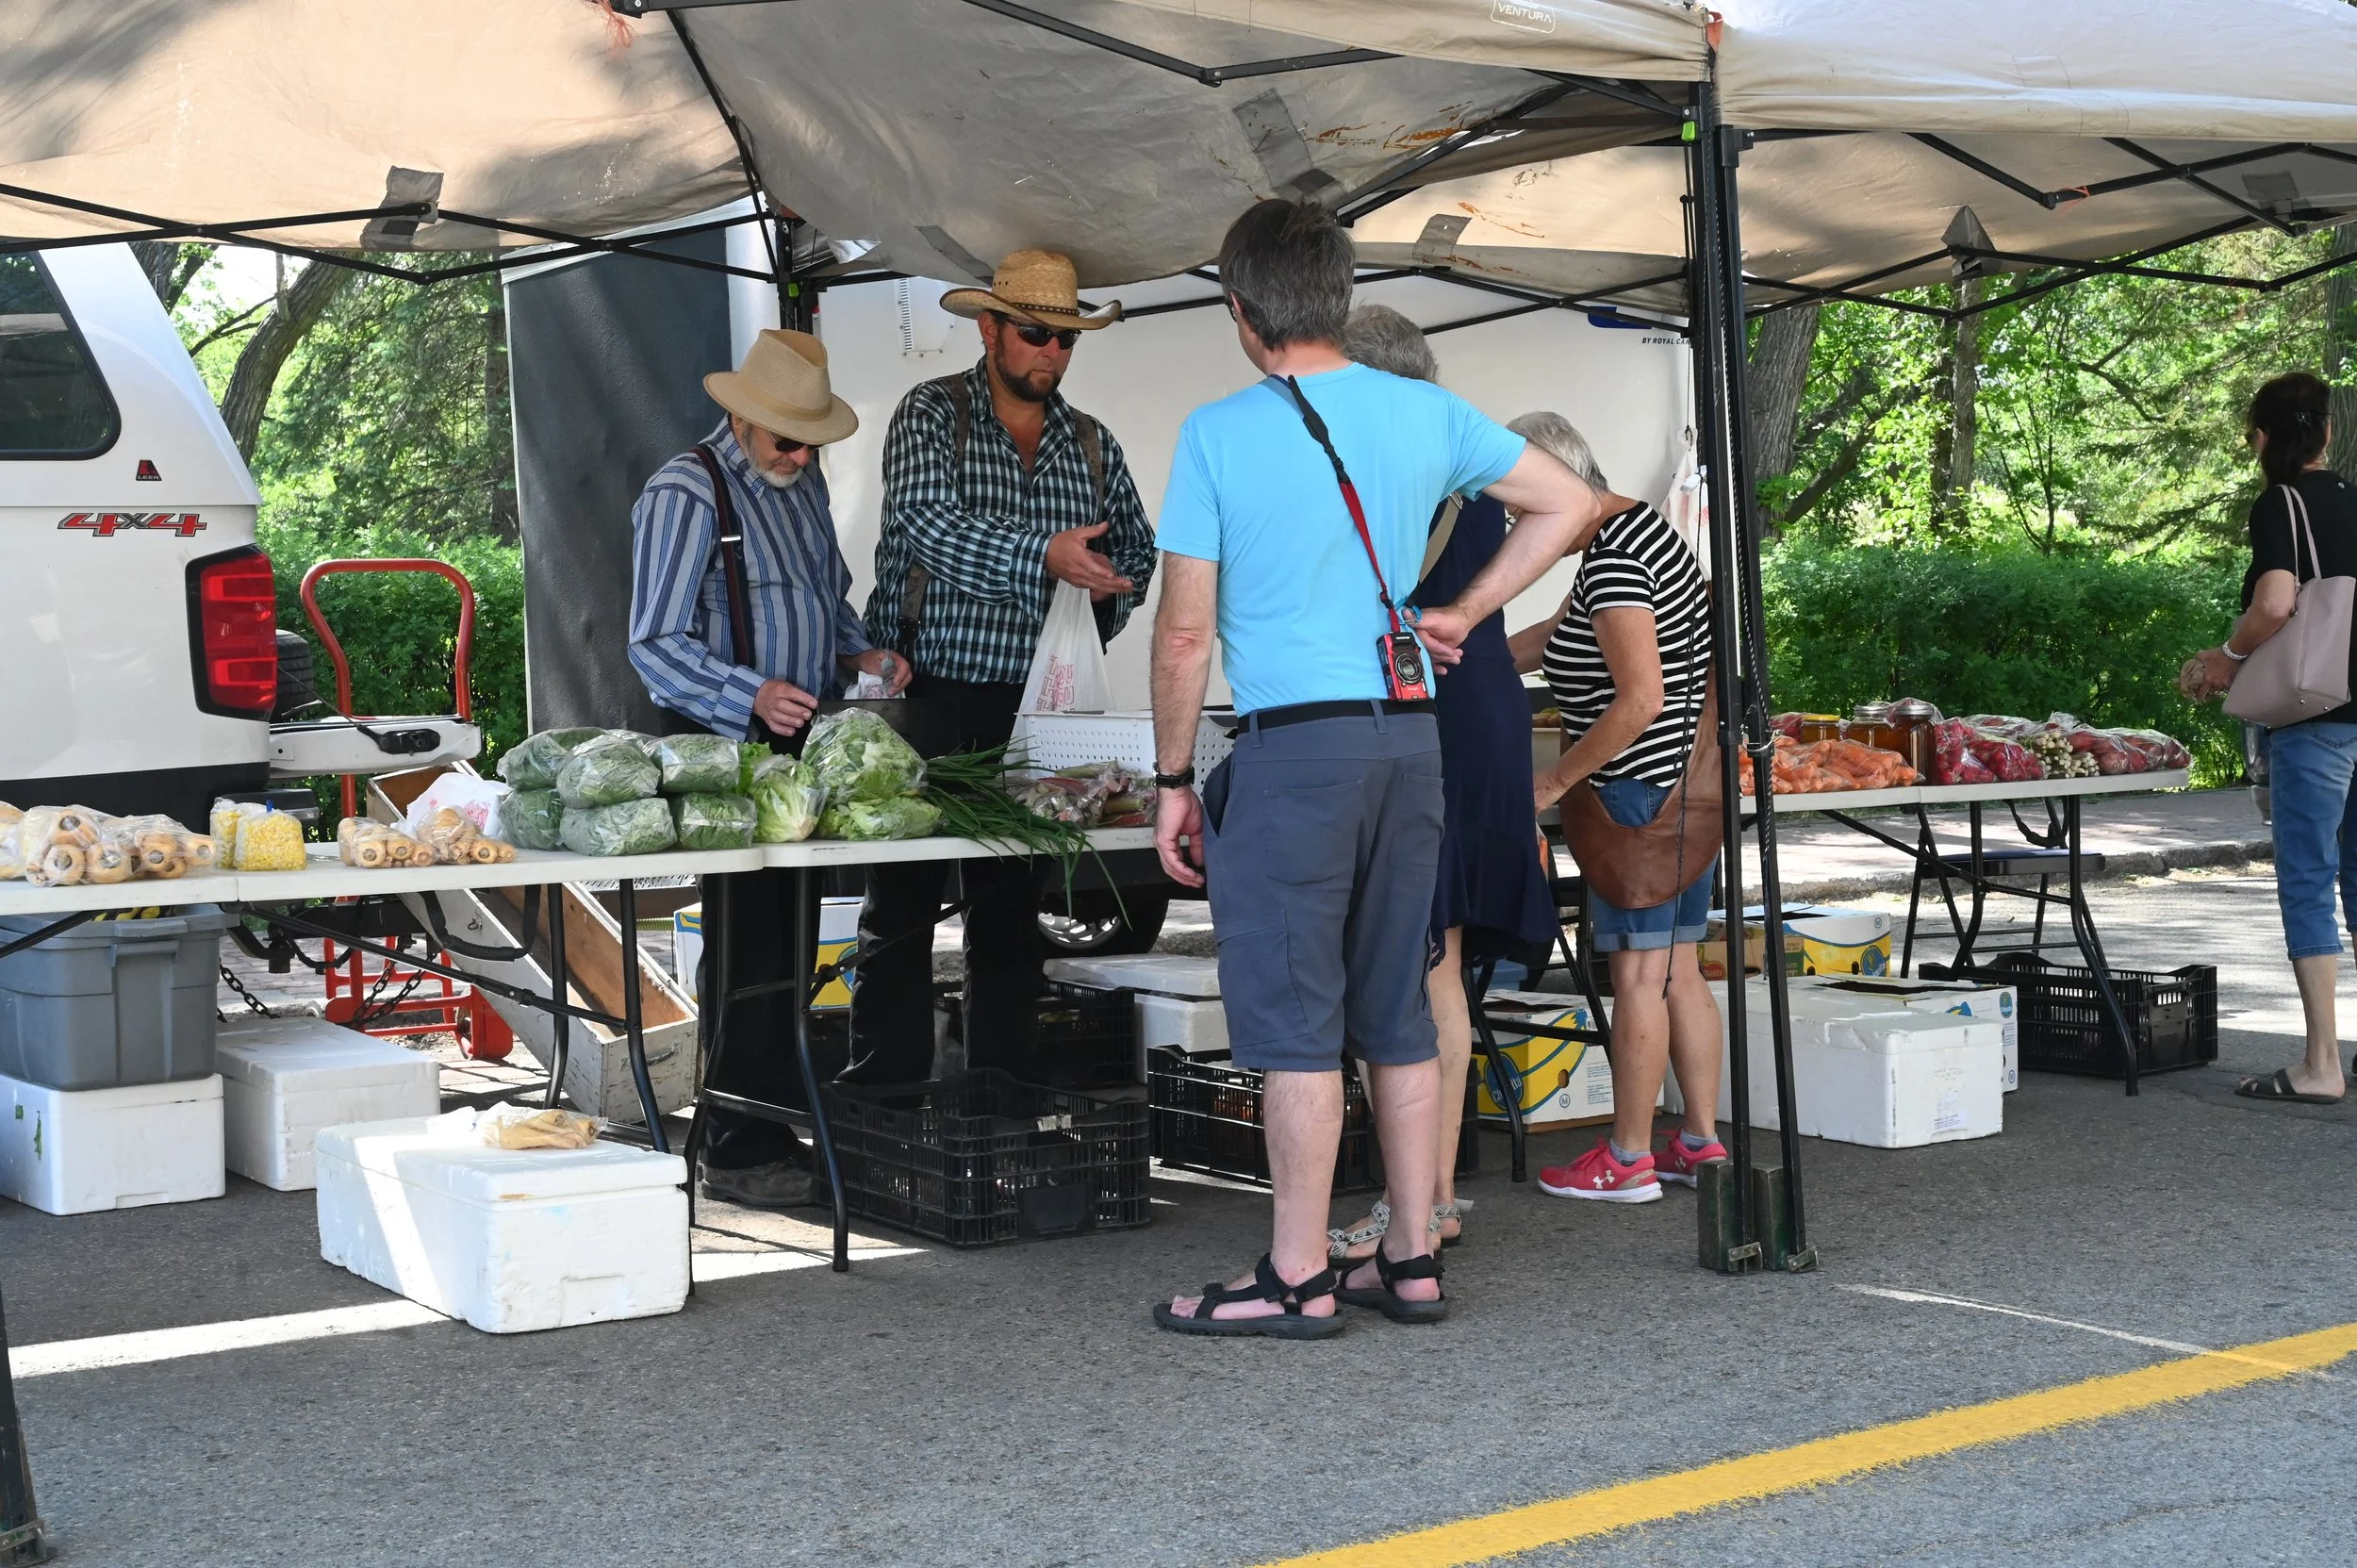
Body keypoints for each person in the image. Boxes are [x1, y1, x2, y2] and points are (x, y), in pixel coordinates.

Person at [1150, 200, 1605, 1337]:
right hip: (1410, 738)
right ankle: (1410, 1253)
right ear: (1340, 300)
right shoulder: (1426, 411)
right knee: (1398, 1003)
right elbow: (1569, 502)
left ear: (1240, 309)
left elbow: (1183, 632)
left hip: (1295, 748)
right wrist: (1466, 610)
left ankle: (1296, 1273)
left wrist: (1170, 778)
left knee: (1296, 1020)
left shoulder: (1216, 433)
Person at [855, 249, 1157, 1084]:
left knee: (1013, 909)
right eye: (1035, 333)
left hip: (1040, 708)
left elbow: (1137, 550)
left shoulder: (1092, 442)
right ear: (989, 329)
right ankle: (886, 1097)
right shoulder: (930, 412)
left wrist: (1096, 604)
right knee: (901, 907)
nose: (1052, 352)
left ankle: (1003, 1101)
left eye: (1067, 339)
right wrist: (1046, 557)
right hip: (929, 695)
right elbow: (928, 526)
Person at [628, 327, 908, 1210]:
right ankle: (736, 1142)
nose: (800, 455)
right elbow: (654, 643)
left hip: (797, 743)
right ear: (742, 417)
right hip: (725, 747)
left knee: (789, 940)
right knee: (747, 940)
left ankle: (772, 1118)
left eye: (811, 441)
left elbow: (826, 596)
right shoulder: (686, 491)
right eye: (788, 439)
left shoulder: (800, 481)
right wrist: (751, 692)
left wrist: (861, 653)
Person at [1324, 305, 1557, 1265]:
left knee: (1413, 967)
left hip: (1430, 715)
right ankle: (1429, 1196)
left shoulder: (1391, 468)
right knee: (1437, 966)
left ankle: (1412, 1204)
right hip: (1485, 709)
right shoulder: (1472, 463)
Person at [1508, 411, 1727, 1204]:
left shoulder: (1615, 561)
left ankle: (1628, 1156)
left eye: (1520, 511)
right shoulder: (1637, 534)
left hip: (1639, 796)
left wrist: (1553, 782)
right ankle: (1697, 1141)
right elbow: (1556, 634)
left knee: (1638, 975)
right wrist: (1462, 650)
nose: (1520, 533)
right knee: (1678, 969)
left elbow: (1639, 700)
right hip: (1686, 794)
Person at [2179, 372, 2352, 1105]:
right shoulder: (2353, 499)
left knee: (2308, 878)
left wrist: (2227, 656)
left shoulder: (2281, 503)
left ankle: (2322, 1064)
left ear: (2262, 439)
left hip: (2318, 717)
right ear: (2328, 433)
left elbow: (2276, 602)